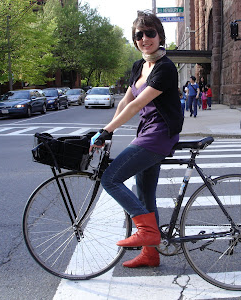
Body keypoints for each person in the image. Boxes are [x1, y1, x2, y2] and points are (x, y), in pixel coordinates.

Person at [90, 11, 184, 268]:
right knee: (144, 195)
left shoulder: (166, 68)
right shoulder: (139, 66)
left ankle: (147, 231)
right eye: (138, 35)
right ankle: (150, 254)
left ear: (160, 35)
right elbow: (126, 102)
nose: (145, 39)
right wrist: (106, 127)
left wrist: (108, 131)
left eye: (150, 33)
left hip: (160, 134)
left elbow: (138, 105)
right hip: (146, 132)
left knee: (110, 178)